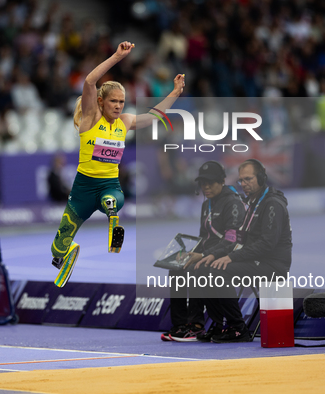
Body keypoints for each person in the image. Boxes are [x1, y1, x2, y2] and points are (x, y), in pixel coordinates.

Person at [51, 41, 185, 282]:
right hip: (83, 187)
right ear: (101, 102)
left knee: (112, 200)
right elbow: (90, 81)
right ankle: (66, 253)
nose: (118, 106)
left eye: (122, 102)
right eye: (114, 101)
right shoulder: (91, 119)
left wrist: (174, 93)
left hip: (109, 185)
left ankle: (113, 218)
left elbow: (155, 116)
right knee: (57, 245)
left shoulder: (125, 122)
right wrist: (116, 57)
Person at [191, 159, 292, 343]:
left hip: (272, 265)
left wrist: (231, 257)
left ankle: (238, 328)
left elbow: (266, 244)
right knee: (205, 267)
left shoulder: (272, 204)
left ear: (261, 177)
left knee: (217, 272)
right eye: (241, 181)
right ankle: (219, 325)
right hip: (254, 260)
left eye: (248, 179)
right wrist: (213, 255)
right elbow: (238, 239)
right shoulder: (252, 203)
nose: (244, 184)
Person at [162, 161, 245, 342]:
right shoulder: (205, 205)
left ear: (222, 181)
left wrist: (204, 255)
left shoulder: (233, 203)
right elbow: (203, 238)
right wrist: (185, 252)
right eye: (203, 182)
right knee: (177, 267)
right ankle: (181, 324)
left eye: (211, 182)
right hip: (208, 255)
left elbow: (233, 240)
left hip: (229, 256)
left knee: (197, 268)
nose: (206, 186)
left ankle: (196, 325)